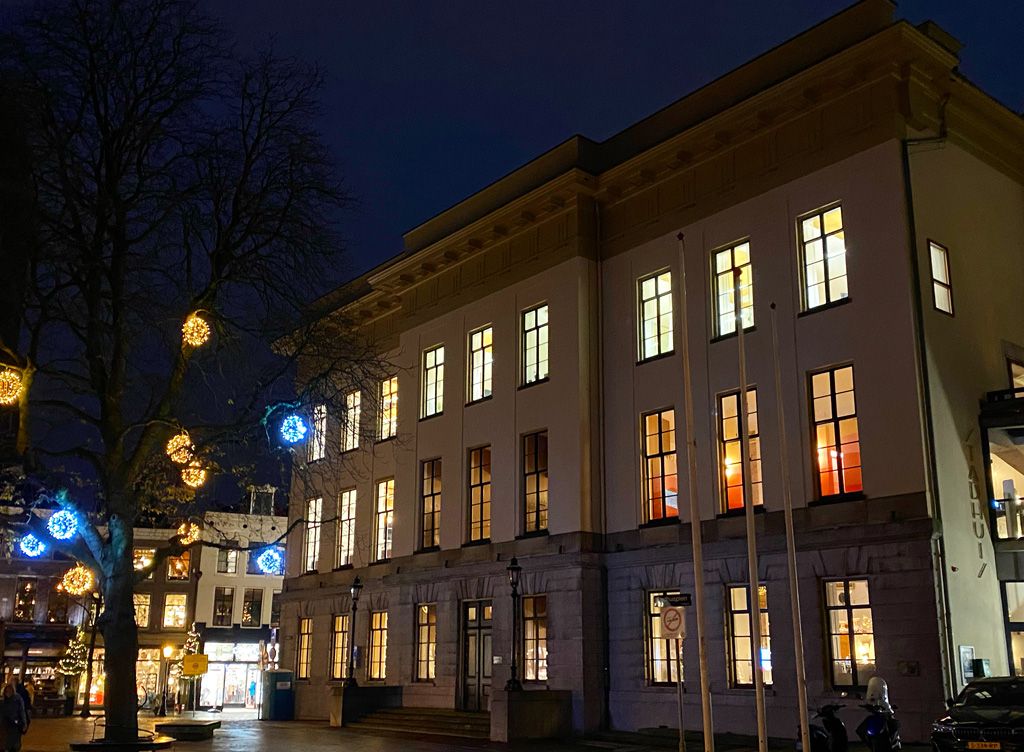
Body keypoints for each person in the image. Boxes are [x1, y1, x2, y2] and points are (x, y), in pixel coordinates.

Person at [1, 684, 27, 752]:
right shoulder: (5, 700)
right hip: (7, 723)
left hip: (15, 722)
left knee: (14, 740)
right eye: (6, 692)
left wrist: (24, 723)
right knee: (8, 740)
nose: (8, 693)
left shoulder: (17, 699)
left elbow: (22, 711)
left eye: (9, 691)